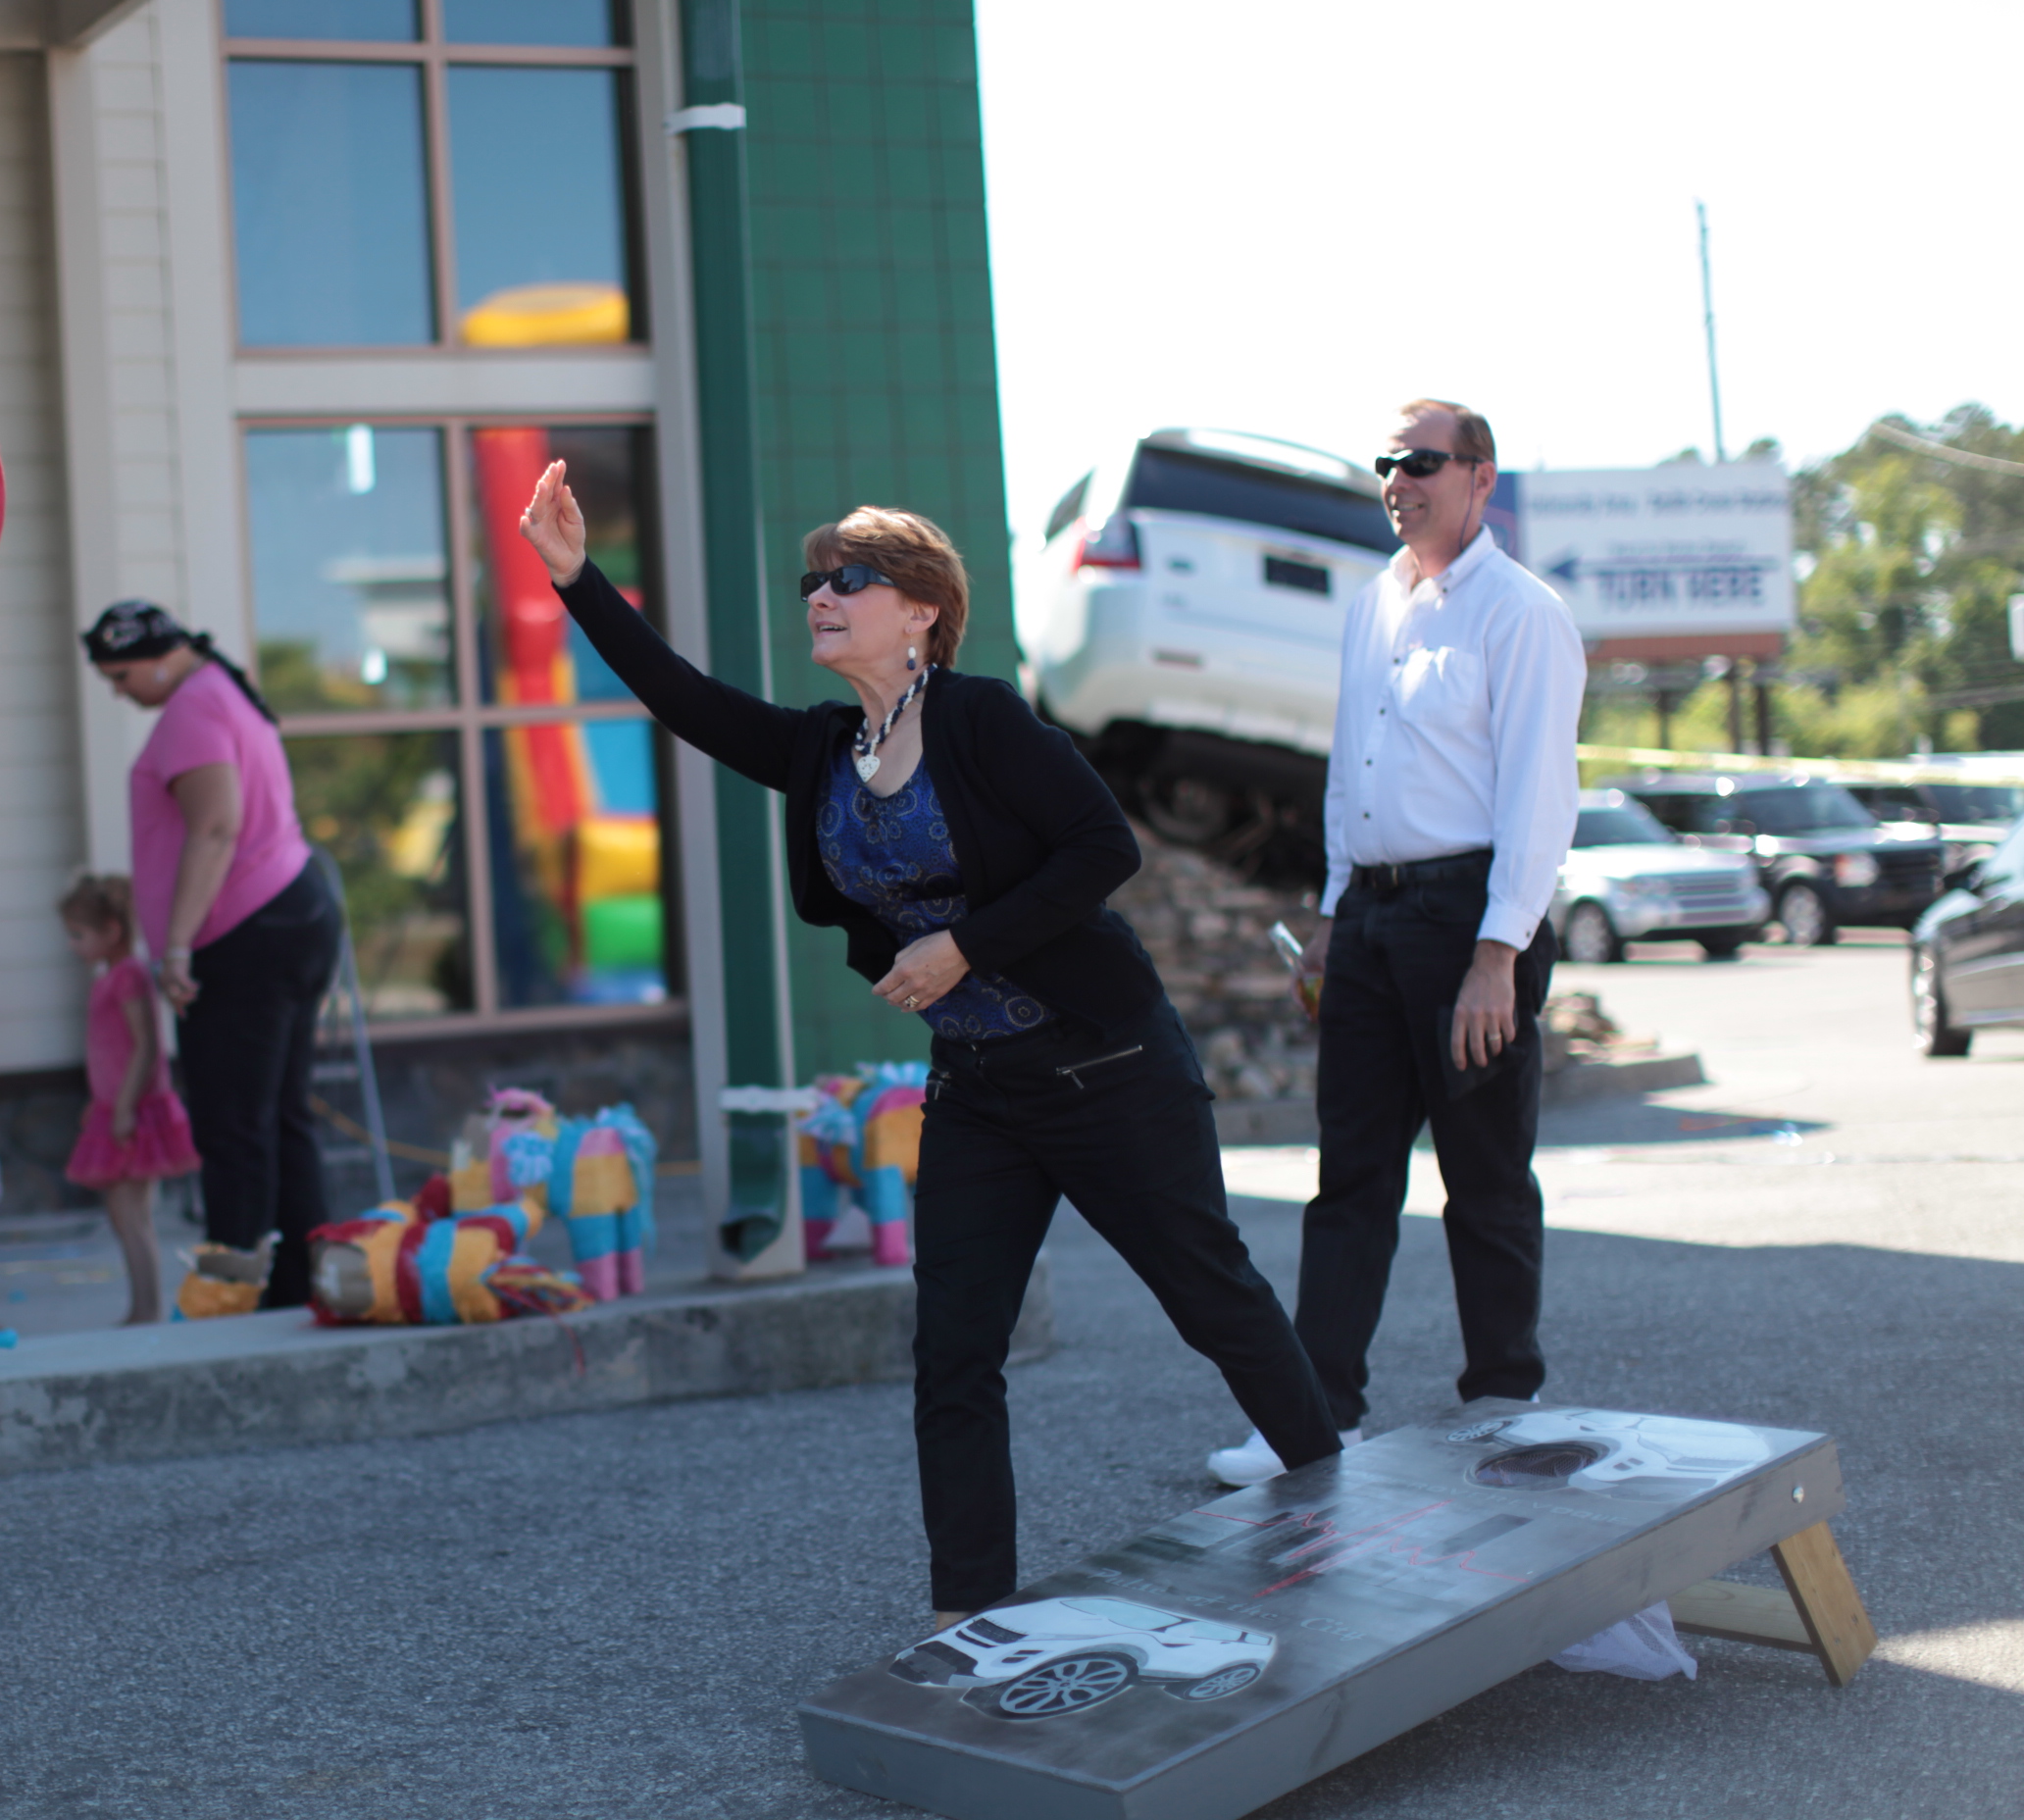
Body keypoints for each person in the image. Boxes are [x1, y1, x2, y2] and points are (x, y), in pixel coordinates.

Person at [516, 463, 1341, 1625]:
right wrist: (576, 578)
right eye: (814, 581)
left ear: (921, 608)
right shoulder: (822, 749)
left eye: (848, 578)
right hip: (979, 1090)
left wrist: (962, 945)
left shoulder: (981, 717)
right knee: (953, 1352)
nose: (819, 595)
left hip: (1104, 1066)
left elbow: (1104, 846)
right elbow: (684, 699)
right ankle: (970, 1613)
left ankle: (1347, 1508)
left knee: (1212, 1296)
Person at [1203, 400, 1584, 1488]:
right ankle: (1316, 1420)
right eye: (1387, 463)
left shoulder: (1522, 612)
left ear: (1480, 477)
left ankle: (1504, 1406)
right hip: (1369, 919)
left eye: (1421, 462)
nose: (1398, 481)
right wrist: (1331, 918)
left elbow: (1540, 795)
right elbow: (1349, 773)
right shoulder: (1373, 604)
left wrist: (1498, 954)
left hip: (1469, 919)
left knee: (1485, 1174)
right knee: (1350, 1178)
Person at [82, 599, 341, 1312]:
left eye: (122, 675)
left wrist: (175, 949)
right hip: (291, 910)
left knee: (233, 1127)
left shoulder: (193, 708)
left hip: (245, 932)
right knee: (280, 1116)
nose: (120, 692)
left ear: (161, 657)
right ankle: (301, 1288)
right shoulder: (222, 691)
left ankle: (235, 1299)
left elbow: (217, 826)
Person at [59, 874, 201, 1326]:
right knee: (124, 1213)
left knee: (131, 1212)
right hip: (115, 1107)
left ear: (111, 930)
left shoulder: (129, 976)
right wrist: (102, 1101)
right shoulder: (112, 976)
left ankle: (147, 1308)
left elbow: (145, 1045)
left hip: (136, 1111)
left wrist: (122, 1107)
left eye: (78, 935)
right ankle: (142, 1305)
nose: (72, 945)